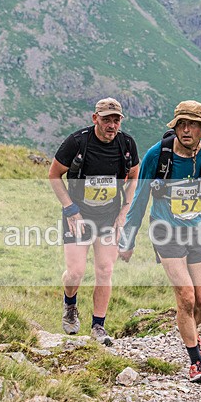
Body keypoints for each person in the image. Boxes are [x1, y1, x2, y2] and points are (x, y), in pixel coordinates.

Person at [119, 100, 201, 383]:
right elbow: (140, 199)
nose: (186, 130)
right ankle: (196, 360)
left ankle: (190, 335)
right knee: (186, 297)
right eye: (181, 124)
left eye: (192, 125)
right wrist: (129, 238)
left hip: (199, 232)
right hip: (165, 232)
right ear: (175, 127)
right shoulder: (156, 156)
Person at [48, 98, 140, 346]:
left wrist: (125, 211)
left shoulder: (127, 144)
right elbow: (54, 175)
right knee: (76, 272)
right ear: (95, 118)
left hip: (109, 216)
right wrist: (70, 209)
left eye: (116, 120)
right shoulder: (77, 142)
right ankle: (70, 305)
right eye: (106, 119)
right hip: (78, 215)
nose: (112, 125)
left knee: (105, 270)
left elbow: (134, 176)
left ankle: (98, 326)